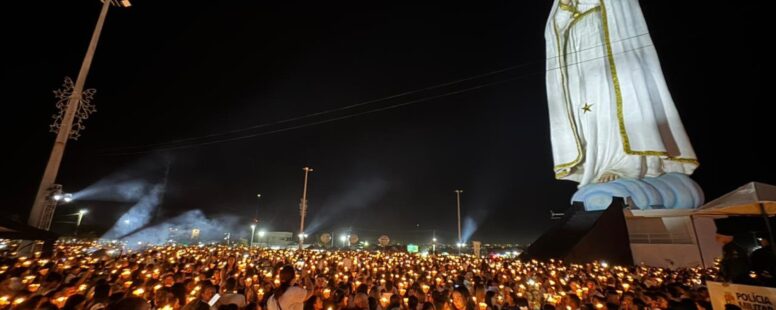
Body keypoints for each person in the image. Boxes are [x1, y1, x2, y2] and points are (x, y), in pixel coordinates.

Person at [545, 0, 698, 185]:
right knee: (589, 112)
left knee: (614, 101)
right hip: (579, 53)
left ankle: (625, 162)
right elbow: (554, 28)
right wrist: (565, 6)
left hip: (607, 39)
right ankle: (599, 163)